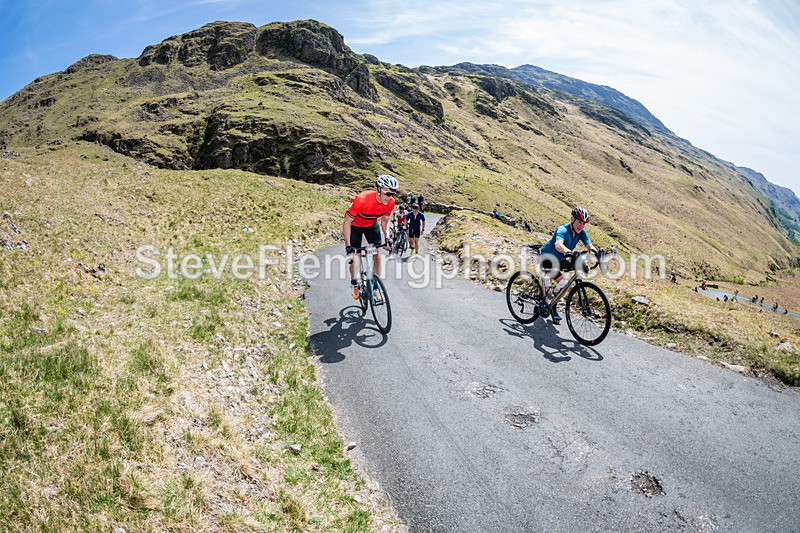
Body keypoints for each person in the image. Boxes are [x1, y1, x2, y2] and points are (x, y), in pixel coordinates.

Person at [538, 206, 597, 324]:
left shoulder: (581, 232)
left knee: (564, 284)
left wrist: (596, 254)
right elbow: (558, 245)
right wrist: (569, 253)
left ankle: (551, 303)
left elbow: (589, 245)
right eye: (579, 222)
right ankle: (544, 300)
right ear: (572, 219)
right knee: (552, 287)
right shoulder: (562, 229)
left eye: (584, 223)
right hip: (547, 257)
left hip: (559, 260)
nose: (581, 225)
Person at [344, 175, 397, 300]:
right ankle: (354, 281)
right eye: (388, 193)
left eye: (393, 194)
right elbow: (347, 222)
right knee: (355, 258)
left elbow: (384, 222)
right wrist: (348, 246)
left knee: (377, 255)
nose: (390, 197)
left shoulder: (390, 202)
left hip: (371, 225)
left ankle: (375, 286)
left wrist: (388, 238)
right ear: (378, 189)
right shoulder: (362, 199)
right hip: (355, 226)